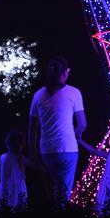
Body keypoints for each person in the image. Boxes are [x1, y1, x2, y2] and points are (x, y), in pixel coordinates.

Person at [28, 56, 86, 207]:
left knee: (51, 192)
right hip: (68, 148)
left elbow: (32, 128)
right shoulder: (74, 93)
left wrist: (33, 152)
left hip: (46, 150)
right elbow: (82, 124)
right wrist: (77, 134)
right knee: (64, 194)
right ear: (66, 72)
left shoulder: (38, 95)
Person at [0, 130, 30, 212]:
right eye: (15, 143)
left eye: (19, 144)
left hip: (16, 187)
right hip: (8, 187)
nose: (18, 146)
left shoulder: (19, 157)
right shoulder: (4, 157)